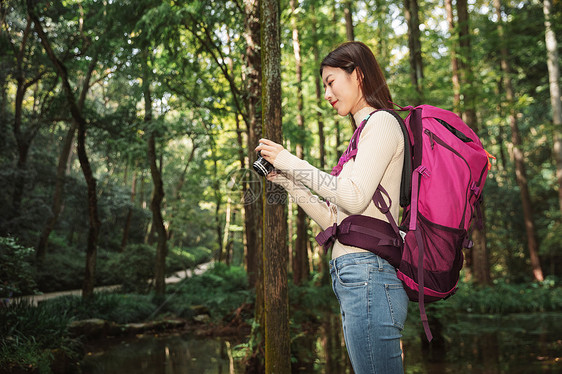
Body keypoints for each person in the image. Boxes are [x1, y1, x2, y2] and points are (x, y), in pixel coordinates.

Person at [255, 41, 408, 373]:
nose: (327, 93)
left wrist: (288, 159)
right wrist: (287, 180)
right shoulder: (361, 137)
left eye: (330, 81)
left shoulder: (382, 124)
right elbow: (333, 218)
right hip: (356, 276)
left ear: (358, 75)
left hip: (369, 274)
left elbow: (352, 197)